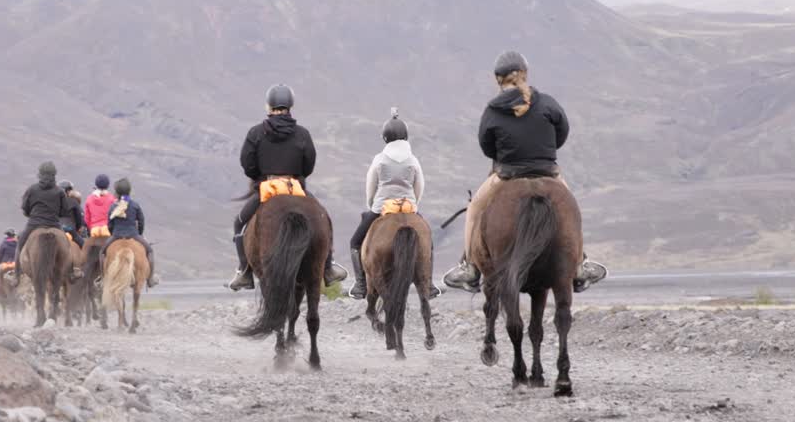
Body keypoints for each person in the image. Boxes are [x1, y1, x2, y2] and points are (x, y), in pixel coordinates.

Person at [442, 51, 607, 294]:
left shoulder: (492, 110)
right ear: (525, 74)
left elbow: (486, 146)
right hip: (548, 172)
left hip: (507, 174)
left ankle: (469, 268)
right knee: (572, 209)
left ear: (497, 79)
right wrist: (544, 152)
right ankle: (580, 264)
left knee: (475, 208)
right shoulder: (548, 103)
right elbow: (562, 133)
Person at [227, 83, 348, 291]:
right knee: (323, 219)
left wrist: (261, 178)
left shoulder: (255, 133)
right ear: (291, 104)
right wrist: (295, 177)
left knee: (239, 224)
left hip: (266, 189)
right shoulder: (302, 134)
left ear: (268, 106)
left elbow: (247, 163)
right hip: (295, 188)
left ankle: (244, 271)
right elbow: (309, 164)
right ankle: (328, 267)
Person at [348, 109, 441, 300]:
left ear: (385, 138)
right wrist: (414, 205)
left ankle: (360, 284)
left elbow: (370, 185)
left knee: (356, 242)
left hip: (382, 207)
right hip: (409, 206)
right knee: (427, 242)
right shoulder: (413, 160)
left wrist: (371, 205)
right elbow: (419, 185)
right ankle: (429, 284)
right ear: (406, 136)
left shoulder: (379, 159)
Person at [98, 178, 158, 288]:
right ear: (129, 191)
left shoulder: (113, 206)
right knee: (150, 251)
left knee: (102, 252)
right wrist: (139, 233)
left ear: (117, 192)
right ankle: (150, 279)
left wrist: (113, 233)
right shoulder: (135, 205)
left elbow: (109, 224)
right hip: (133, 234)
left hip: (116, 235)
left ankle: (103, 279)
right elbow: (141, 221)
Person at [12, 161, 69, 278]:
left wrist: (31, 214)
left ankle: (16, 275)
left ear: (40, 174)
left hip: (34, 224)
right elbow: (64, 212)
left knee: (21, 243)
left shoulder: (32, 189)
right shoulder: (60, 191)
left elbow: (25, 208)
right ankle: (72, 272)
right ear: (54, 175)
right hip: (54, 224)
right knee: (67, 244)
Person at [58, 180, 86, 248]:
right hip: (69, 229)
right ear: (67, 191)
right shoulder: (73, 201)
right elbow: (79, 218)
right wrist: (78, 227)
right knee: (85, 246)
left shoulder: (54, 202)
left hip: (57, 228)